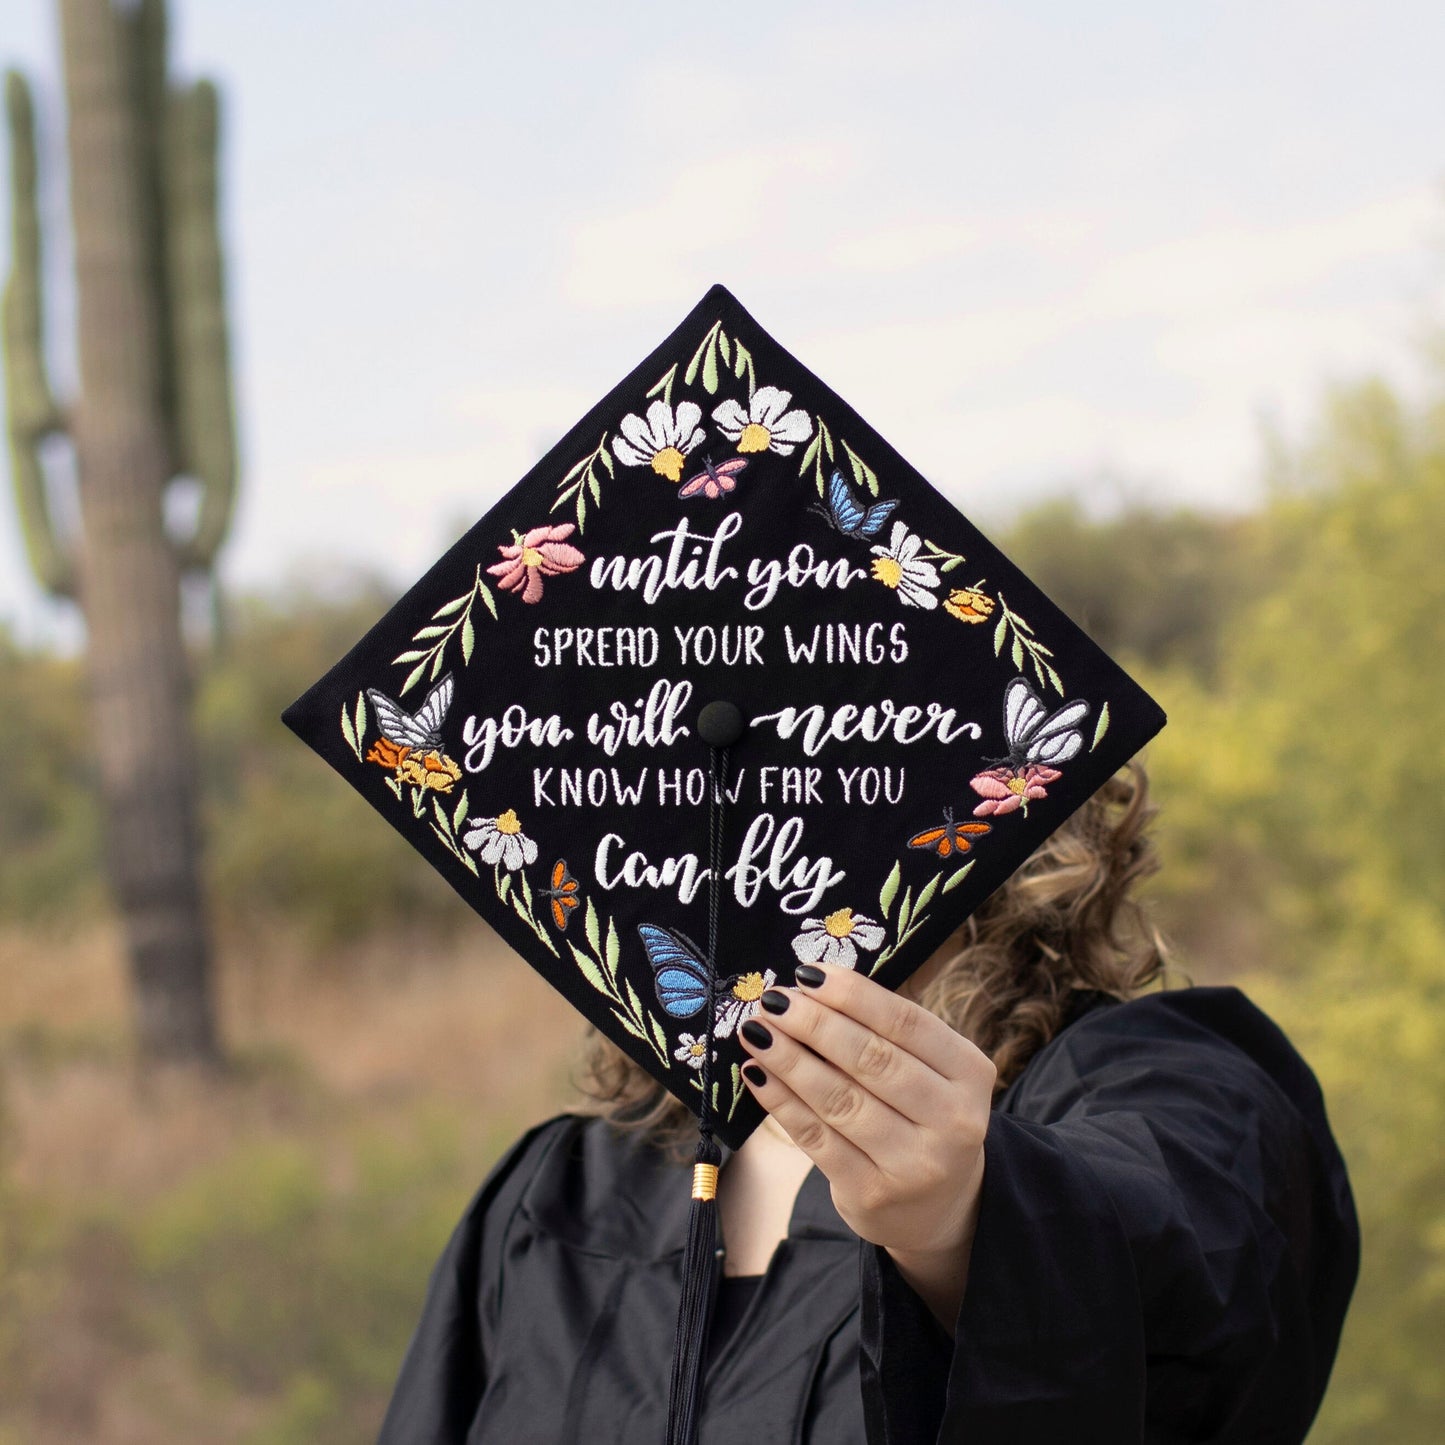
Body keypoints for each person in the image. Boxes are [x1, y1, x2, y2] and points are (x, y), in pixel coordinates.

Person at [376, 762, 1359, 1444]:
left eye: (821, 758)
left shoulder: (1144, 1081)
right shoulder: (560, 1194)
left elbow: (1203, 1279)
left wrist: (966, 1219)